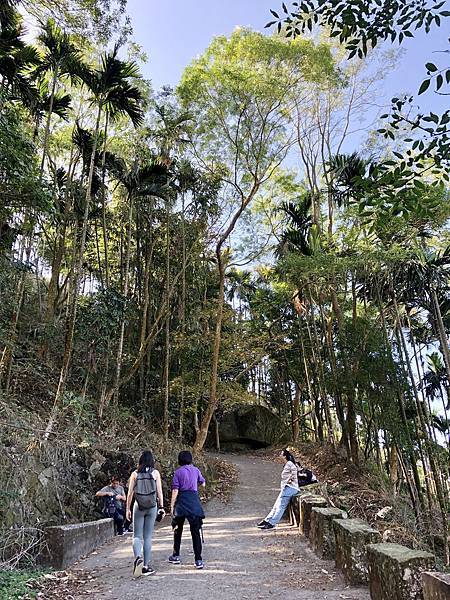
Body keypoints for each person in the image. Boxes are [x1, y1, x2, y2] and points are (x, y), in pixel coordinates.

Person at [126, 451, 165, 577]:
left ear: (140, 461)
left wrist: (128, 509)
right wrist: (162, 507)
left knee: (137, 536)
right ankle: (146, 566)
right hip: (152, 506)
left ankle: (138, 557)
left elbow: (130, 493)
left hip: (139, 506)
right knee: (148, 537)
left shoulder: (135, 474)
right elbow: (159, 492)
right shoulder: (155, 473)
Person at [168, 450, 206, 570]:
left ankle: (176, 555)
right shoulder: (196, 470)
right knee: (195, 532)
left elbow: (175, 490)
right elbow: (203, 483)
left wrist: (172, 506)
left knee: (177, 530)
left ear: (180, 460)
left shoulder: (178, 472)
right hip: (194, 502)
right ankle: (198, 560)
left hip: (182, 503)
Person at [257, 448, 299, 530]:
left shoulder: (290, 464)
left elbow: (294, 472)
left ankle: (272, 523)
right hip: (286, 488)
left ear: (284, 456)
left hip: (291, 488)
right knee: (276, 505)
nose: (280, 455)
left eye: (281, 454)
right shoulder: (287, 464)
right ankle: (267, 520)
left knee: (281, 506)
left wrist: (290, 481)